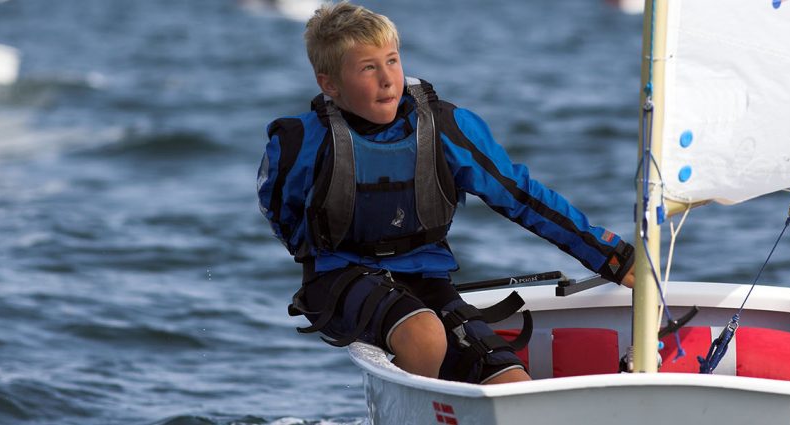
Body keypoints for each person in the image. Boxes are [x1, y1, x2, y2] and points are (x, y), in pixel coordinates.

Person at [257, 1, 635, 385]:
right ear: (330, 84)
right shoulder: (300, 142)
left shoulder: (445, 127)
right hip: (339, 278)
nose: (388, 79)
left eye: (392, 61)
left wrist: (610, 257)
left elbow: (522, 197)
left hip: (425, 278)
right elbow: (280, 210)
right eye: (368, 68)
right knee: (424, 334)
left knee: (512, 383)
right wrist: (325, 256)